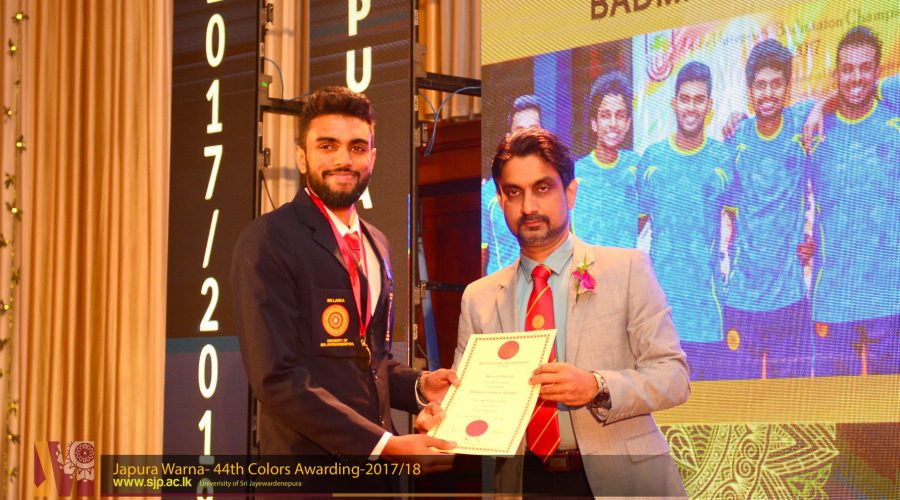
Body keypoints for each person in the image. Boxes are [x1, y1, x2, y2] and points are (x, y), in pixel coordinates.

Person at [230, 87, 459, 482]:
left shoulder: (377, 242)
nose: (343, 159)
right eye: (327, 146)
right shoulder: (267, 240)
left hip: (376, 480)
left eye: (356, 147)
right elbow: (277, 378)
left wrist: (421, 387)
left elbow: (369, 359)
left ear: (372, 157)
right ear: (301, 156)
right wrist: (385, 446)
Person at [456, 127, 689, 497]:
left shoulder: (627, 269)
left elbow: (673, 377)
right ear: (499, 200)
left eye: (542, 188)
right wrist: (444, 415)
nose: (528, 206)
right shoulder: (479, 297)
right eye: (514, 192)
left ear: (570, 193)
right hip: (522, 482)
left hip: (621, 482)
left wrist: (596, 386)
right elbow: (468, 401)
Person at [806, 27, 900, 376]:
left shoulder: (895, 116)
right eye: (847, 69)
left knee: (888, 407)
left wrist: (823, 101)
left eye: (865, 68)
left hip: (890, 300)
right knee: (834, 408)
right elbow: (762, 119)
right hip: (833, 302)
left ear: (878, 72)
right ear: (835, 74)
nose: (856, 77)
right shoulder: (811, 127)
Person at [720, 39, 814, 379]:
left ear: (788, 87)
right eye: (760, 85)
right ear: (750, 90)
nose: (769, 93)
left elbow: (842, 98)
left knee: (792, 401)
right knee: (740, 402)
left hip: (790, 299)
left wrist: (812, 238)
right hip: (742, 300)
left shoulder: (802, 122)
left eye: (776, 84)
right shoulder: (737, 137)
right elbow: (729, 211)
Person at [638, 61, 734, 381]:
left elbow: (742, 231)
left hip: (708, 317)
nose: (691, 107)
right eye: (685, 98)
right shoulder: (652, 159)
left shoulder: (723, 158)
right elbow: (631, 235)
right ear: (674, 102)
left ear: (709, 105)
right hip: (660, 319)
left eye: (699, 99)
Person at [571, 72, 641, 248]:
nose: (613, 124)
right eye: (605, 115)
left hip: (626, 264)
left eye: (620, 115)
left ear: (628, 123)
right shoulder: (575, 173)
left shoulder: (637, 166)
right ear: (594, 123)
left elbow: (644, 217)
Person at [482, 95, 542, 275]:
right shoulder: (488, 193)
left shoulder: (556, 185)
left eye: (533, 129)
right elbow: (481, 255)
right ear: (508, 138)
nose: (527, 137)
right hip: (504, 288)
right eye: (520, 130)